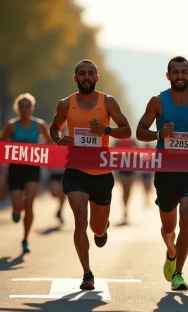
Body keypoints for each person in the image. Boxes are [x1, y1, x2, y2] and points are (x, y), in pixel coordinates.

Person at [136, 56, 188, 291]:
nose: (180, 76)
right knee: (169, 228)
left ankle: (179, 274)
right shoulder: (157, 101)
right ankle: (171, 251)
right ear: (168, 75)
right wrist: (158, 134)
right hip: (165, 171)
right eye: (175, 72)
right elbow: (140, 131)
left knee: (187, 218)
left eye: (184, 72)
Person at [49, 59, 131, 291]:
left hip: (102, 171)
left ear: (97, 78)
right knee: (80, 219)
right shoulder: (66, 104)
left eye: (90, 73)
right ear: (75, 79)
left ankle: (102, 229)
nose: (86, 77)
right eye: (82, 73)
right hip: (75, 169)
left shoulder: (108, 102)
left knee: (97, 227)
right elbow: (54, 127)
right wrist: (58, 138)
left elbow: (126, 130)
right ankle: (87, 273)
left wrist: (105, 130)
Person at [0, 93, 52, 254]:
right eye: (22, 105)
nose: (25, 108)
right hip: (15, 169)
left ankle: (25, 239)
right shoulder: (11, 125)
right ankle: (16, 211)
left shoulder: (39, 125)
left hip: (32, 169)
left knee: (29, 203)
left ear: (32, 108)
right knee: (19, 206)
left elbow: (51, 142)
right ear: (17, 109)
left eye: (28, 105)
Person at [114, 137, 138, 224]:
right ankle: (124, 211)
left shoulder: (132, 141)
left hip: (130, 169)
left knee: (128, 191)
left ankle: (126, 210)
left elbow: (138, 153)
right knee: (124, 190)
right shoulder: (118, 141)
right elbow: (113, 153)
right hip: (122, 169)